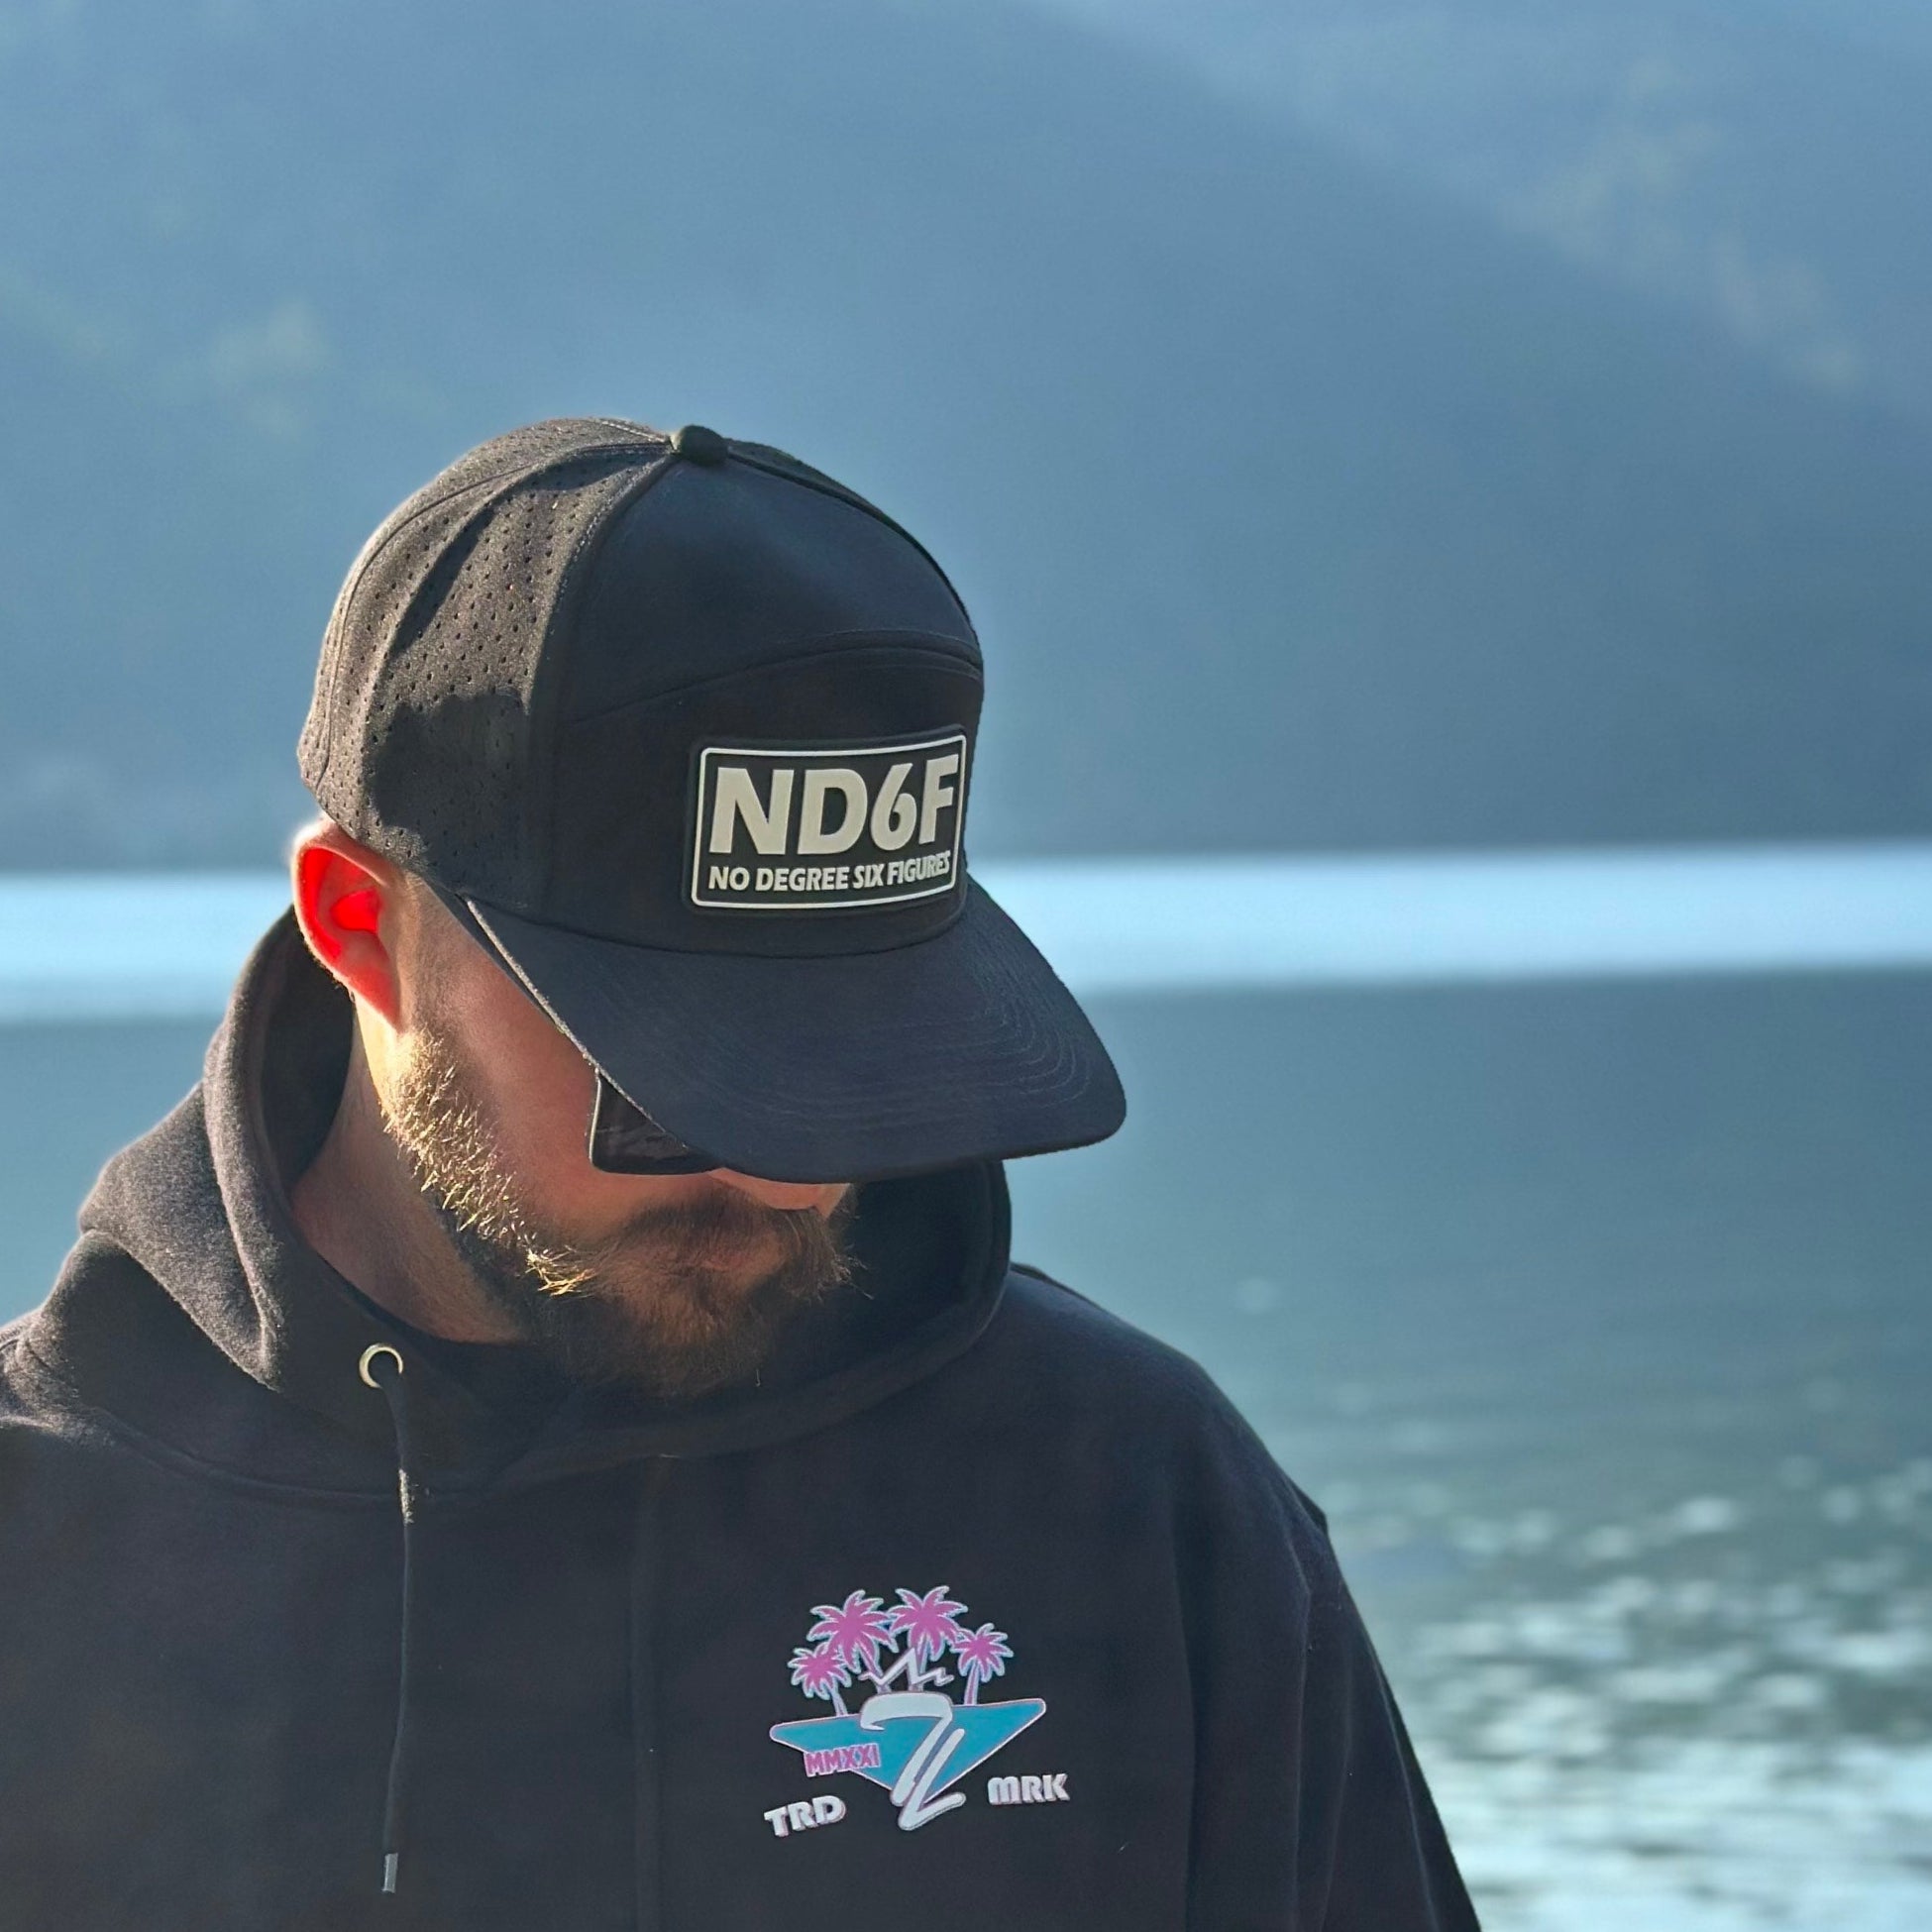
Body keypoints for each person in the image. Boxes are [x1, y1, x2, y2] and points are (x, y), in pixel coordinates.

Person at [0, 418, 1477, 1929]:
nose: (783, 1180)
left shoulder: (1137, 1499)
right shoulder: (43, 1544)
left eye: (854, 1076)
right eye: (673, 1083)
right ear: (362, 928)